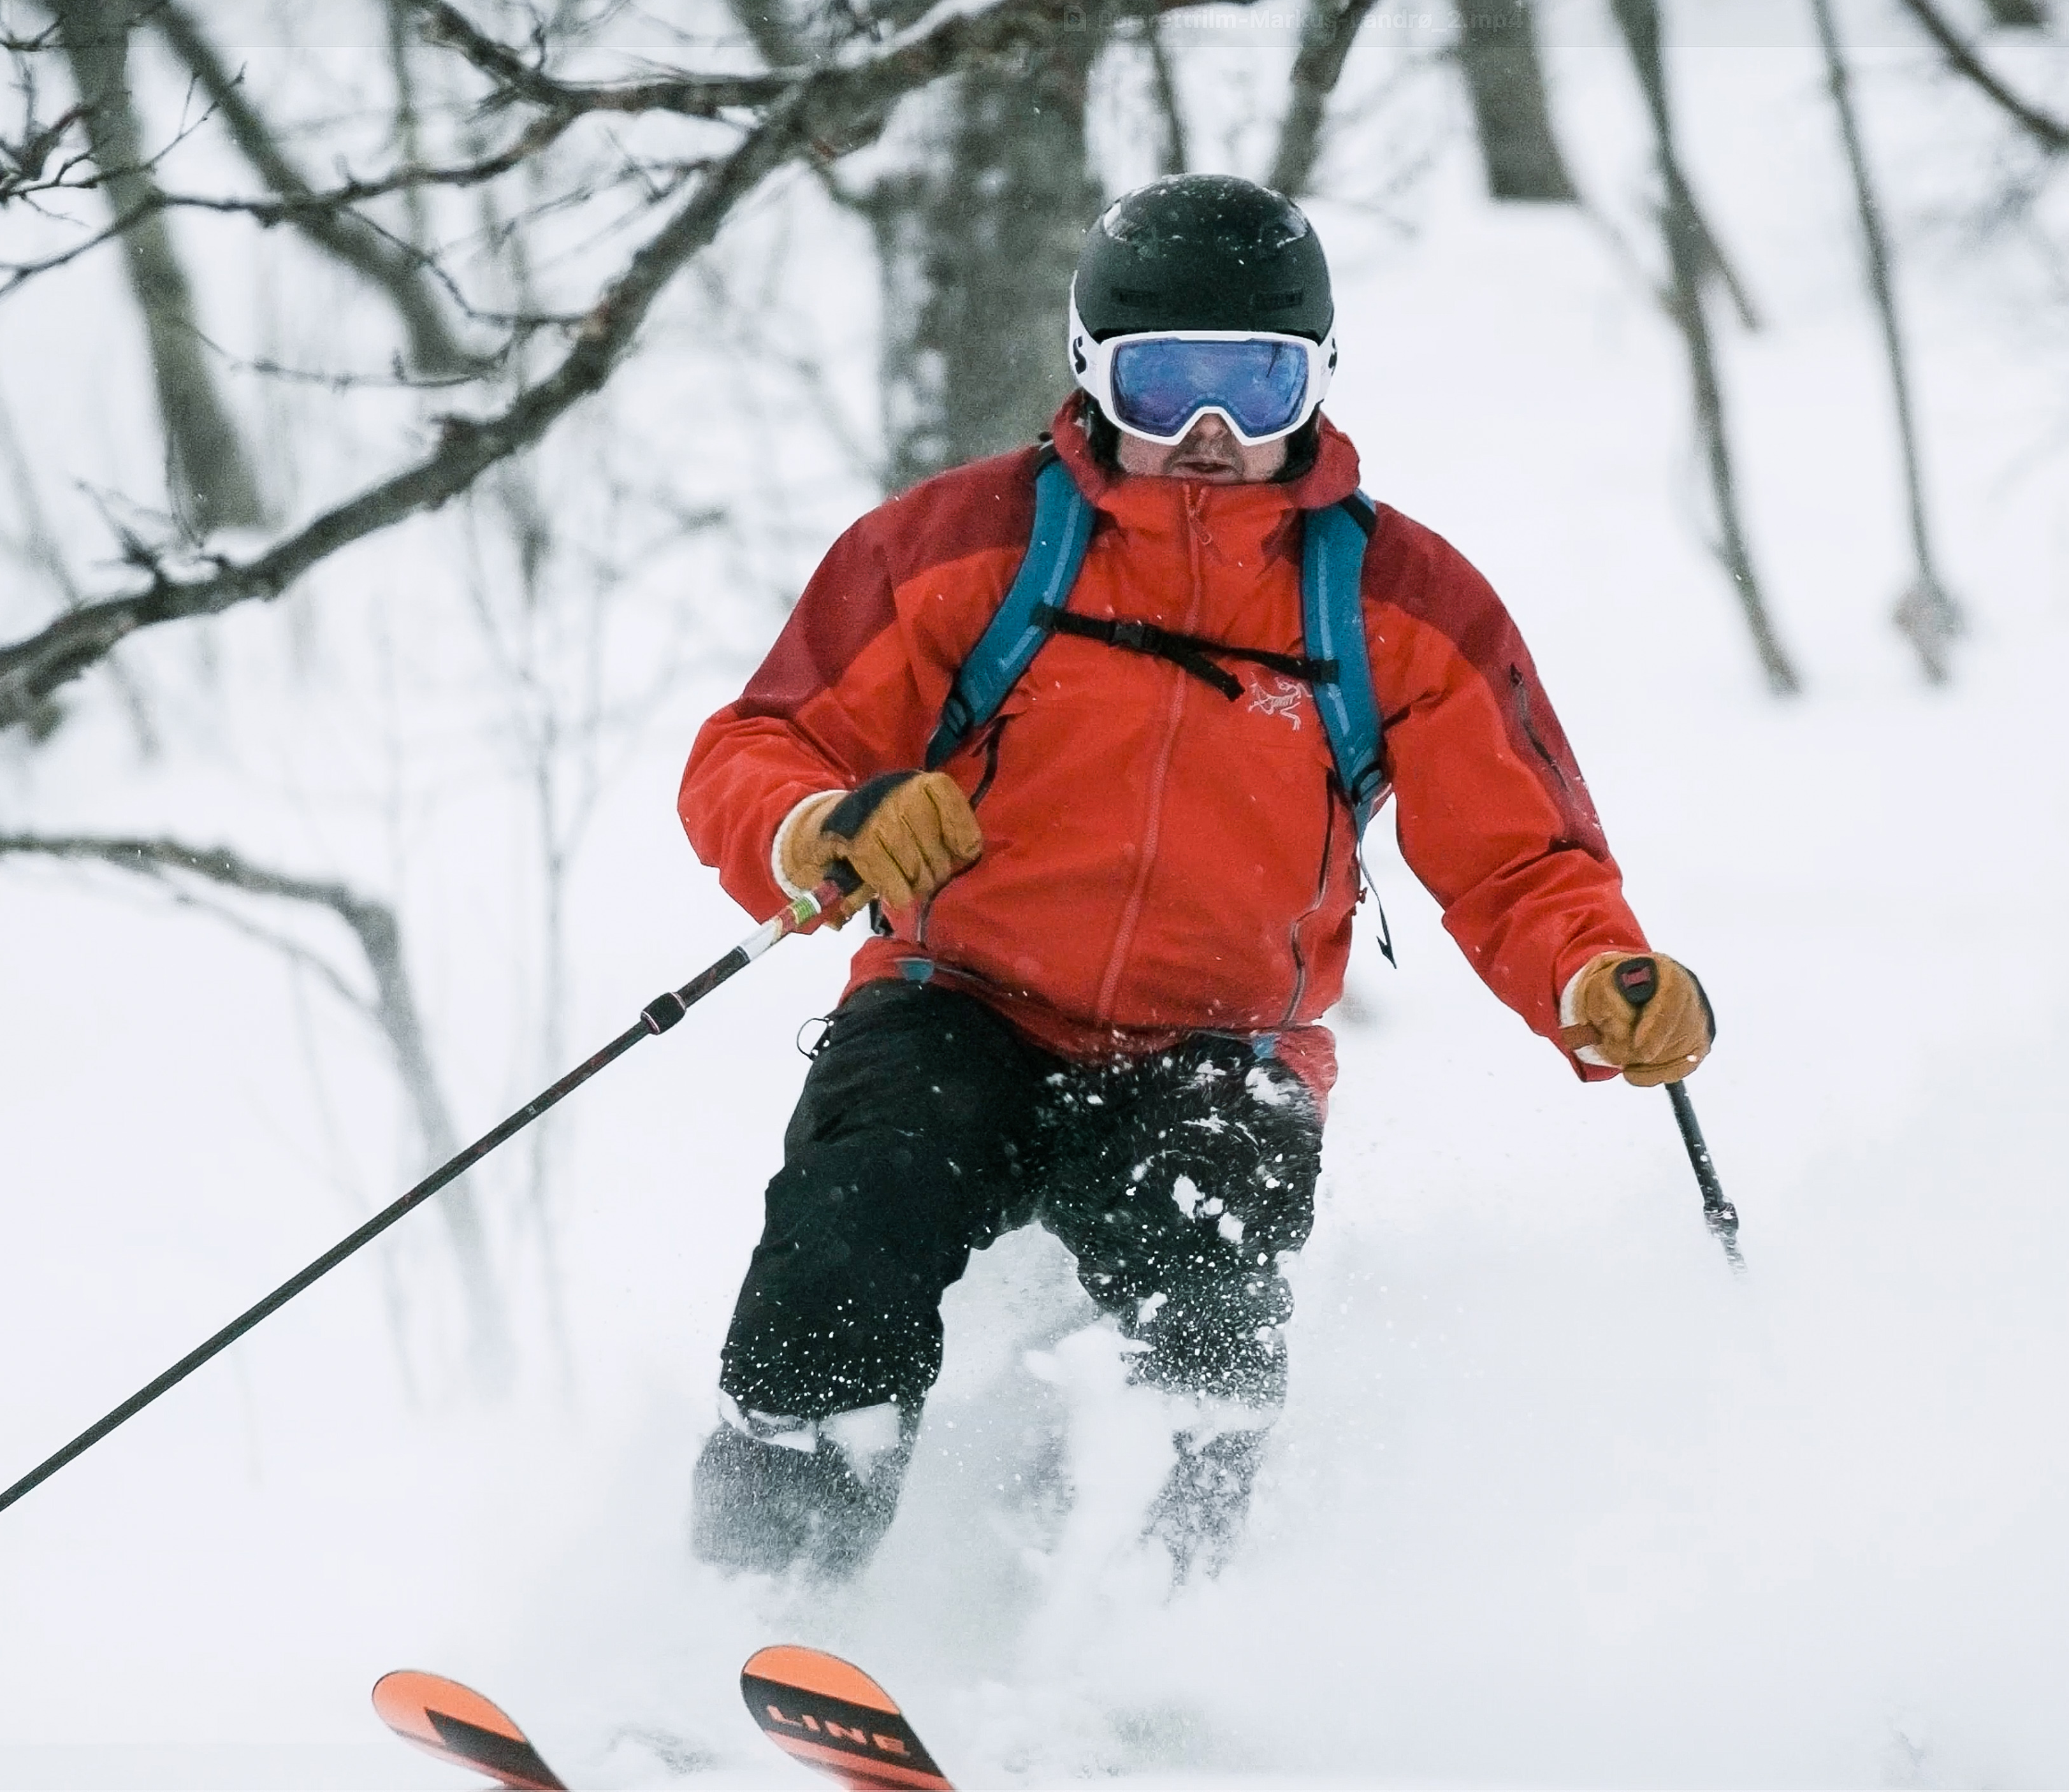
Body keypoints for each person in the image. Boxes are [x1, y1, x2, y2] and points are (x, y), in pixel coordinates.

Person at [677, 173, 1713, 1584]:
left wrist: (1597, 975)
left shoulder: (1399, 601)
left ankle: (1144, 1627)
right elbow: (761, 743)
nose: (1209, 434)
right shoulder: (963, 547)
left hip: (1220, 1045)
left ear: (1319, 378)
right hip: (958, 998)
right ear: (1093, 372)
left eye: (1256, 384)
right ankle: (760, 1593)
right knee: (850, 1222)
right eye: (1166, 387)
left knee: (1204, 1296)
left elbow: (1521, 855)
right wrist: (821, 825)